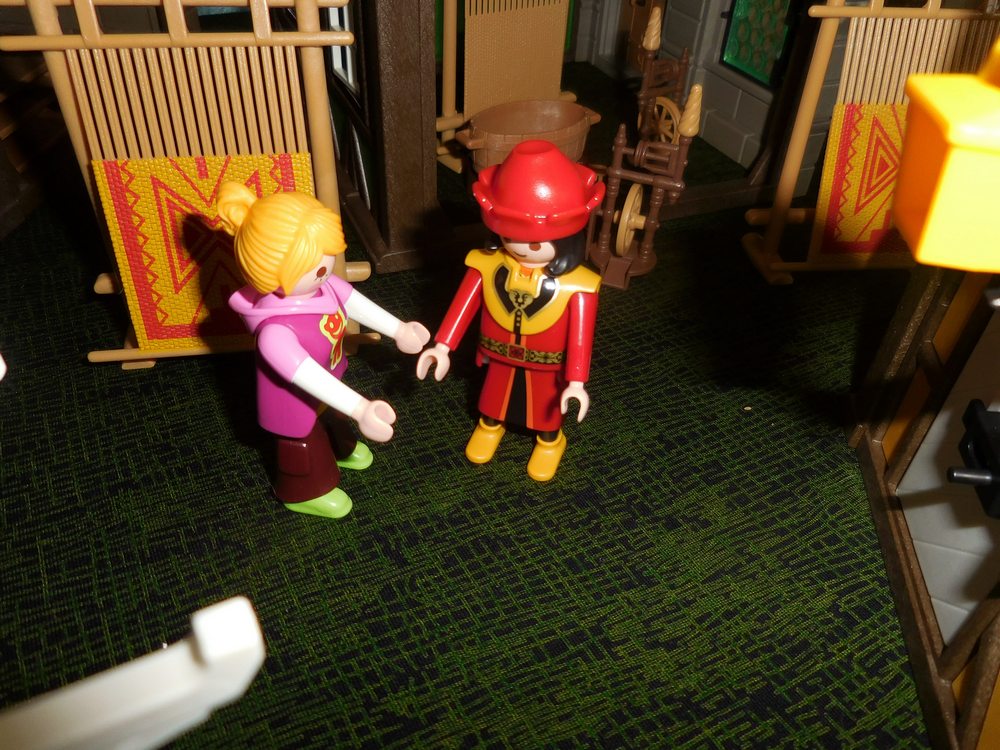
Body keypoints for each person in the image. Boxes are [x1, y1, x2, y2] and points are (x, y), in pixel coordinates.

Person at [218, 183, 429, 519]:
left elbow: (354, 302)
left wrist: (399, 330)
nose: (323, 268)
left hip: (330, 376)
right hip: (293, 402)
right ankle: (304, 493)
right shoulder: (274, 334)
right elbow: (308, 376)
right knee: (303, 446)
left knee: (334, 419)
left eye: (326, 255)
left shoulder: (324, 286)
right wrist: (361, 408)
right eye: (309, 263)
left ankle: (341, 449)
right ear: (269, 271)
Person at [417, 140, 605, 481]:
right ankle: (490, 426)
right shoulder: (485, 266)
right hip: (499, 355)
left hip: (547, 365)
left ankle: (550, 442)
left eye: (534, 243)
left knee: (546, 410)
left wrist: (577, 381)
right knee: (492, 399)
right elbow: (463, 306)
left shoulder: (579, 286)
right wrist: (442, 346)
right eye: (510, 236)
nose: (522, 248)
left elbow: (581, 337)